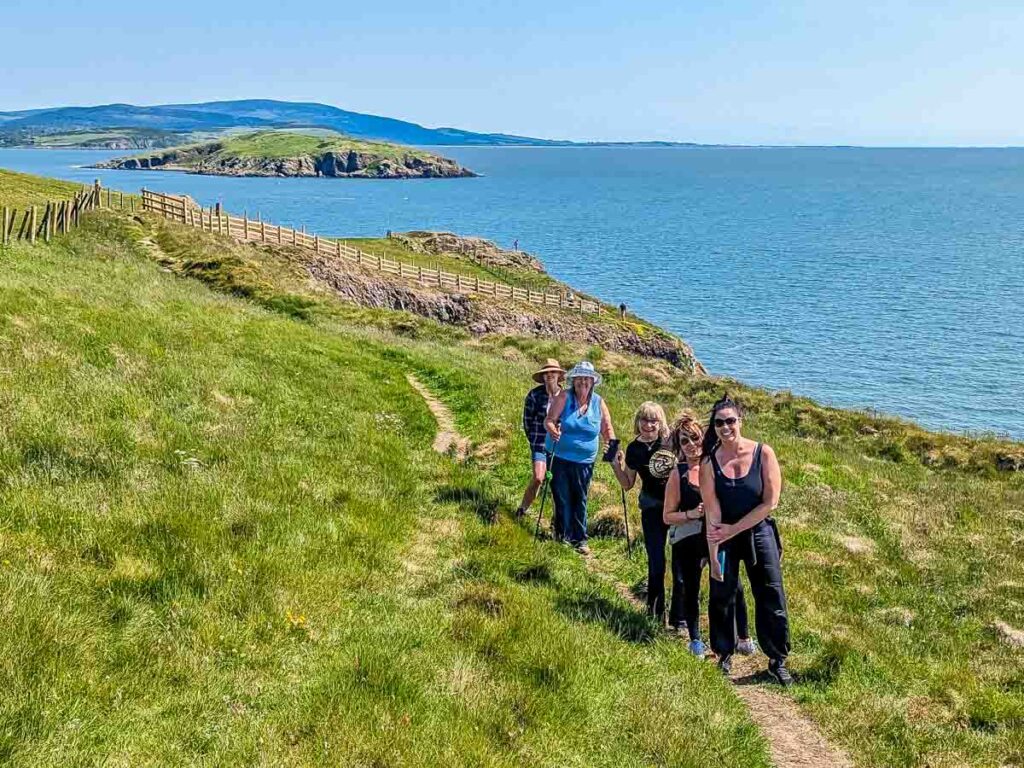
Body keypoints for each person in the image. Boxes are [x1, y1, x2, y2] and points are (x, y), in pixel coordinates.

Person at [700, 394, 792, 686]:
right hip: (723, 535)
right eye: (719, 423)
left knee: (770, 593)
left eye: (730, 421)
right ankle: (724, 654)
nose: (725, 427)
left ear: (741, 421)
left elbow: (770, 503)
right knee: (721, 595)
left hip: (758, 531)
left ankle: (777, 659)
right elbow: (712, 513)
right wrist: (714, 554)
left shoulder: (763, 453)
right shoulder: (709, 462)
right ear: (713, 427)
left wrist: (733, 529)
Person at [663, 410, 755, 658]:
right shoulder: (677, 474)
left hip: (718, 536)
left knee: (733, 585)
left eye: (694, 437)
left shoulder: (716, 463)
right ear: (678, 446)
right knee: (690, 588)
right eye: (684, 440)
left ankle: (744, 637)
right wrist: (691, 513)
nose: (691, 444)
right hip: (689, 541)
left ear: (704, 437)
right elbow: (667, 516)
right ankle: (696, 640)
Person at [611, 402, 679, 624]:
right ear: (637, 422)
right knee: (656, 560)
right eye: (644, 420)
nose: (649, 425)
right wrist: (615, 464)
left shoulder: (671, 442)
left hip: (679, 508)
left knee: (681, 562)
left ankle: (680, 616)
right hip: (651, 508)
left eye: (654, 420)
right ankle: (656, 612)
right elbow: (627, 483)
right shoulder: (634, 449)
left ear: (661, 423)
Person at [544, 361, 615, 554]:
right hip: (559, 455)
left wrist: (612, 444)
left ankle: (580, 539)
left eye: (587, 379)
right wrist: (553, 431)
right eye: (579, 378)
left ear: (592, 382)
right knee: (562, 496)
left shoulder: (598, 402)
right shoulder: (564, 397)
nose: (583, 382)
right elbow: (549, 420)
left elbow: (607, 428)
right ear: (573, 381)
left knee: (580, 497)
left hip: (584, 461)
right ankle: (562, 535)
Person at [516, 359, 565, 518]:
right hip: (539, 443)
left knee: (557, 485)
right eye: (546, 373)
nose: (549, 375)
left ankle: (556, 521)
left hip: (560, 447)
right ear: (543, 377)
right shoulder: (534, 395)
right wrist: (533, 439)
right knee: (538, 477)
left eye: (553, 372)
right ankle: (522, 509)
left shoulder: (566, 397)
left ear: (559, 375)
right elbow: (527, 420)